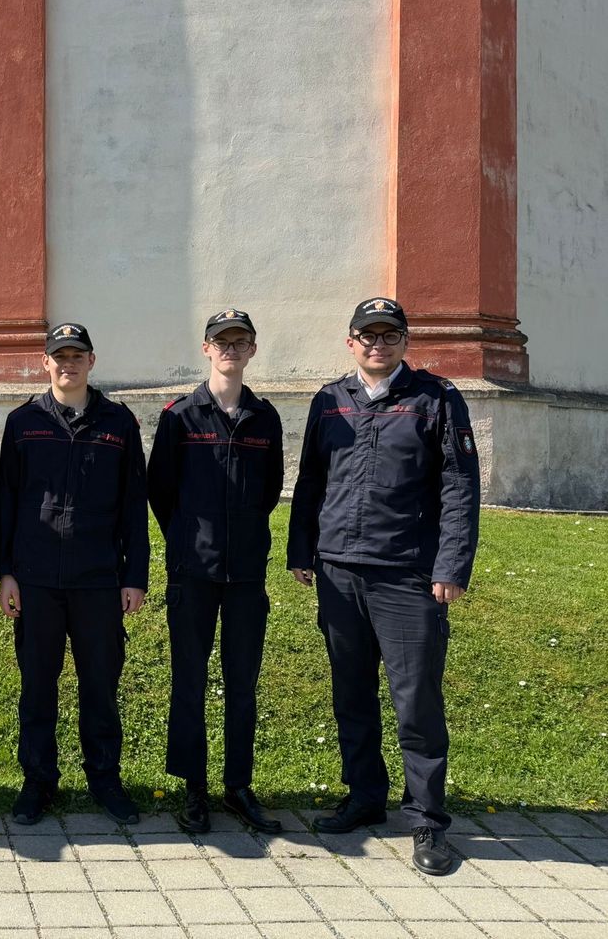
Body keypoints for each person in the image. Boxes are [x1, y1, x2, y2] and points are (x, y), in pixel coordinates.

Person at [287, 297, 481, 876]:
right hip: (339, 572)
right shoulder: (330, 400)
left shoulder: (437, 398)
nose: (378, 344)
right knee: (351, 693)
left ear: (404, 341)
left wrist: (451, 566)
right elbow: (311, 480)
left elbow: (459, 488)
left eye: (389, 335)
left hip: (407, 576)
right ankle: (365, 797)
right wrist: (303, 550)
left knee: (415, 700)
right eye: (367, 335)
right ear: (351, 342)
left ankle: (426, 821)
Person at [0, 322, 150, 825]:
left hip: (98, 579)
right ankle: (38, 783)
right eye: (59, 356)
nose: (68, 363)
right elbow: (7, 504)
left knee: (100, 686)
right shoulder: (23, 423)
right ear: (45, 362)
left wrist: (135, 575)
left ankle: (105, 779)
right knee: (37, 686)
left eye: (77, 355)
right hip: (37, 579)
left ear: (91, 361)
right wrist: (7, 573)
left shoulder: (119, 424)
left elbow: (134, 505)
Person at [147, 309, 284, 834]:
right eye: (221, 340)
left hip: (247, 574)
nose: (230, 348)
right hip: (193, 573)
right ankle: (194, 788)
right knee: (189, 681)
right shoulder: (180, 416)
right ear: (206, 348)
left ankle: (238, 786)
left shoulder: (264, 418)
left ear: (252, 349)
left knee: (242, 684)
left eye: (240, 341)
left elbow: (269, 490)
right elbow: (160, 490)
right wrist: (186, 540)